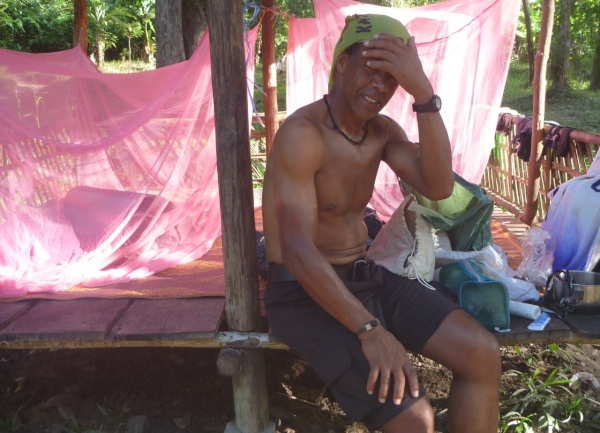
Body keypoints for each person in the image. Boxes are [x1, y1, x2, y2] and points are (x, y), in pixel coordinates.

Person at [262, 13, 501, 433]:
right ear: (342, 63)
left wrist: (424, 95)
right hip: (303, 293)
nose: (379, 87)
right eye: (371, 70)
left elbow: (439, 186)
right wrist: (370, 331)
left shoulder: (381, 132)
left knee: (481, 353)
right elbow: (297, 251)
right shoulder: (303, 134)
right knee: (414, 419)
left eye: (392, 78)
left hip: (365, 277)